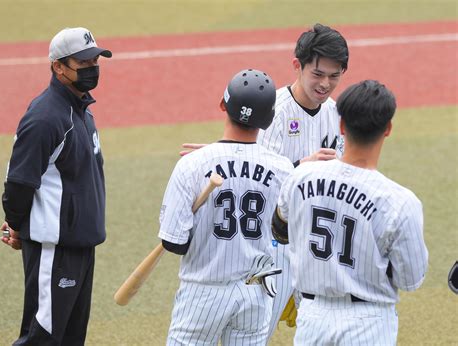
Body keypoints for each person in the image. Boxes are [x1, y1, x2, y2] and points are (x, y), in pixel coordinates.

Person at [272, 80, 428, 345]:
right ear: (387, 129)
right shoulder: (400, 201)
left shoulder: (301, 178)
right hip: (369, 323)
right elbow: (410, 279)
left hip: (312, 319)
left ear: (341, 126)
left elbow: (280, 230)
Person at [158, 69, 294, 345]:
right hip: (255, 295)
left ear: (223, 105)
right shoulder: (283, 170)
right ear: (268, 120)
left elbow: (174, 242)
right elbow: (285, 233)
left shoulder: (192, 165)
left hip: (203, 295)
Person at [0, 27, 112, 345]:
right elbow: (19, 182)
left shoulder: (79, 110)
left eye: (95, 61)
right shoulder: (46, 118)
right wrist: (18, 225)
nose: (92, 69)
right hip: (55, 249)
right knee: (41, 338)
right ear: (58, 67)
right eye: (83, 63)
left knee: (69, 338)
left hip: (79, 245)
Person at [256, 23, 349, 338]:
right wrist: (301, 168)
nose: (325, 84)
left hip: (317, 244)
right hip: (272, 243)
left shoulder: (336, 115)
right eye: (318, 74)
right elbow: (259, 184)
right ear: (298, 65)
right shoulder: (273, 113)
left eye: (334, 76)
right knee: (257, 332)